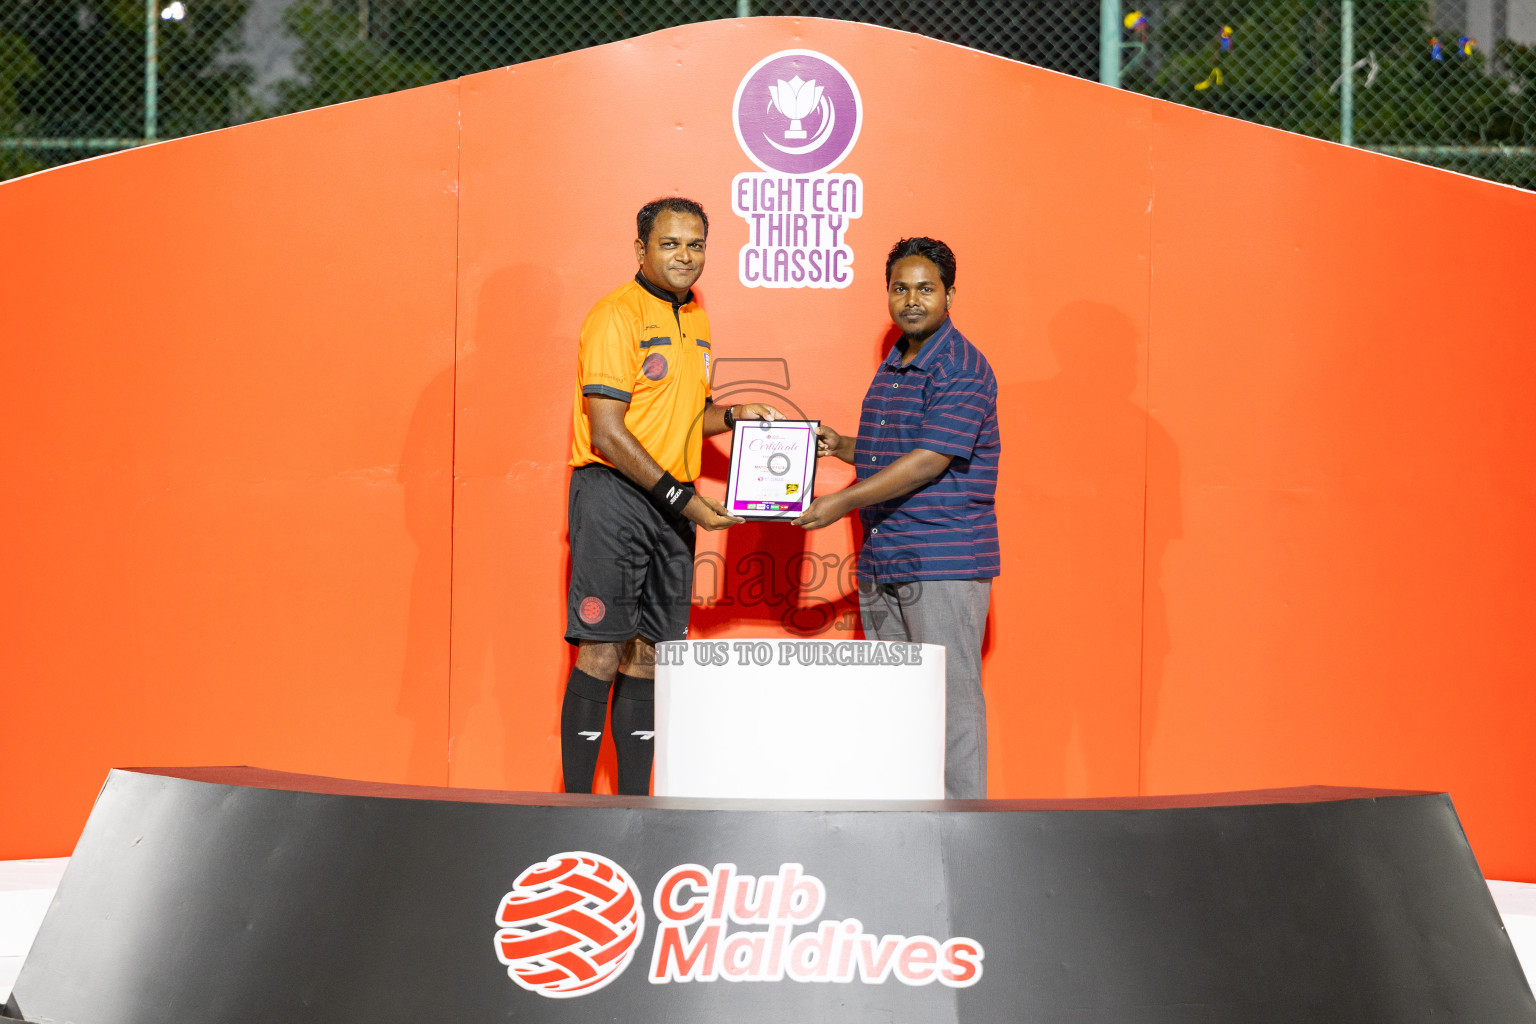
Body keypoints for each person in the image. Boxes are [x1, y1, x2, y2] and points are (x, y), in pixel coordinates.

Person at [562, 196, 782, 795]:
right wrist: (681, 499)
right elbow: (608, 432)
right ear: (640, 250)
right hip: (614, 496)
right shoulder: (616, 315)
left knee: (651, 656)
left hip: (670, 503)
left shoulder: (696, 317)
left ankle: (634, 807)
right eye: (669, 244)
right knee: (601, 652)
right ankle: (572, 810)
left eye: (695, 245)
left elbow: (682, 417)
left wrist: (734, 415)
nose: (685, 256)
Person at [794, 237, 1000, 799]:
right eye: (900, 288)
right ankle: (908, 828)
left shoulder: (960, 367)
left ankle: (963, 833)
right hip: (887, 559)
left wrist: (841, 500)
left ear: (950, 294)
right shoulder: (896, 363)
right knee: (898, 703)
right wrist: (842, 447)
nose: (911, 300)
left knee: (949, 703)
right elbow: (898, 447)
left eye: (925, 288)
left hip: (942, 562)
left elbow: (928, 461)